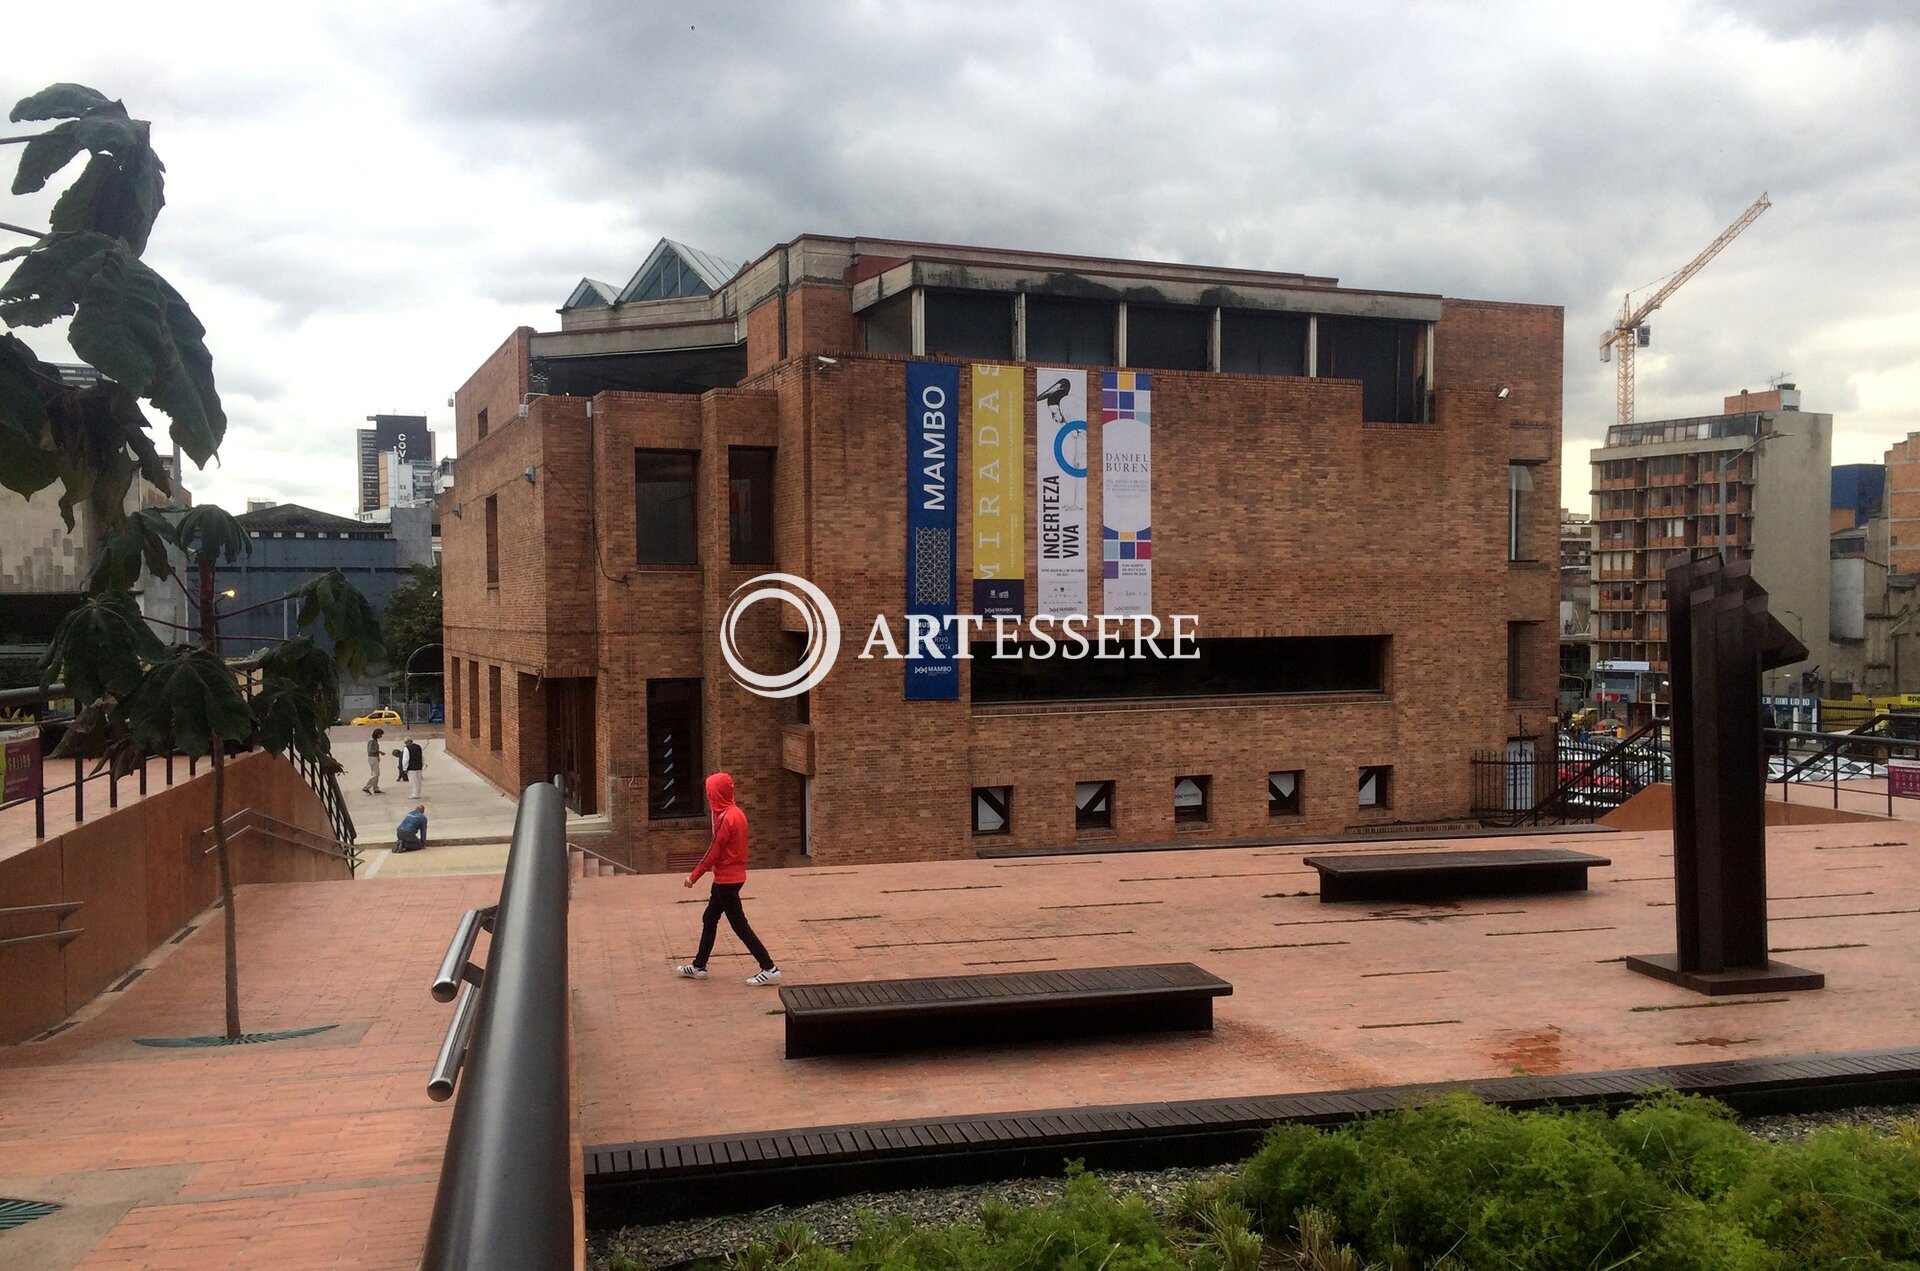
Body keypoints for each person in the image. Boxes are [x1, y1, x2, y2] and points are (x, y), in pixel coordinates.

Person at [676, 772, 780, 985]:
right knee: (710, 918)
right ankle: (699, 965)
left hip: (726, 880)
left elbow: (714, 851)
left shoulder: (725, 819)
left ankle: (769, 967)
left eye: (710, 793)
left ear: (716, 794)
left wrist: (693, 877)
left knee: (739, 925)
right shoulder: (737, 813)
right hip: (733, 876)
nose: (708, 797)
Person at [362, 727, 385, 794]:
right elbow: (370, 750)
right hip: (372, 757)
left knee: (375, 773)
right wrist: (378, 752)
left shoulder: (375, 740)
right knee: (376, 774)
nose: (381, 736)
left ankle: (375, 788)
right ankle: (366, 787)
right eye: (380, 735)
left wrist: (379, 752)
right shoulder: (372, 741)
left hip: (374, 757)